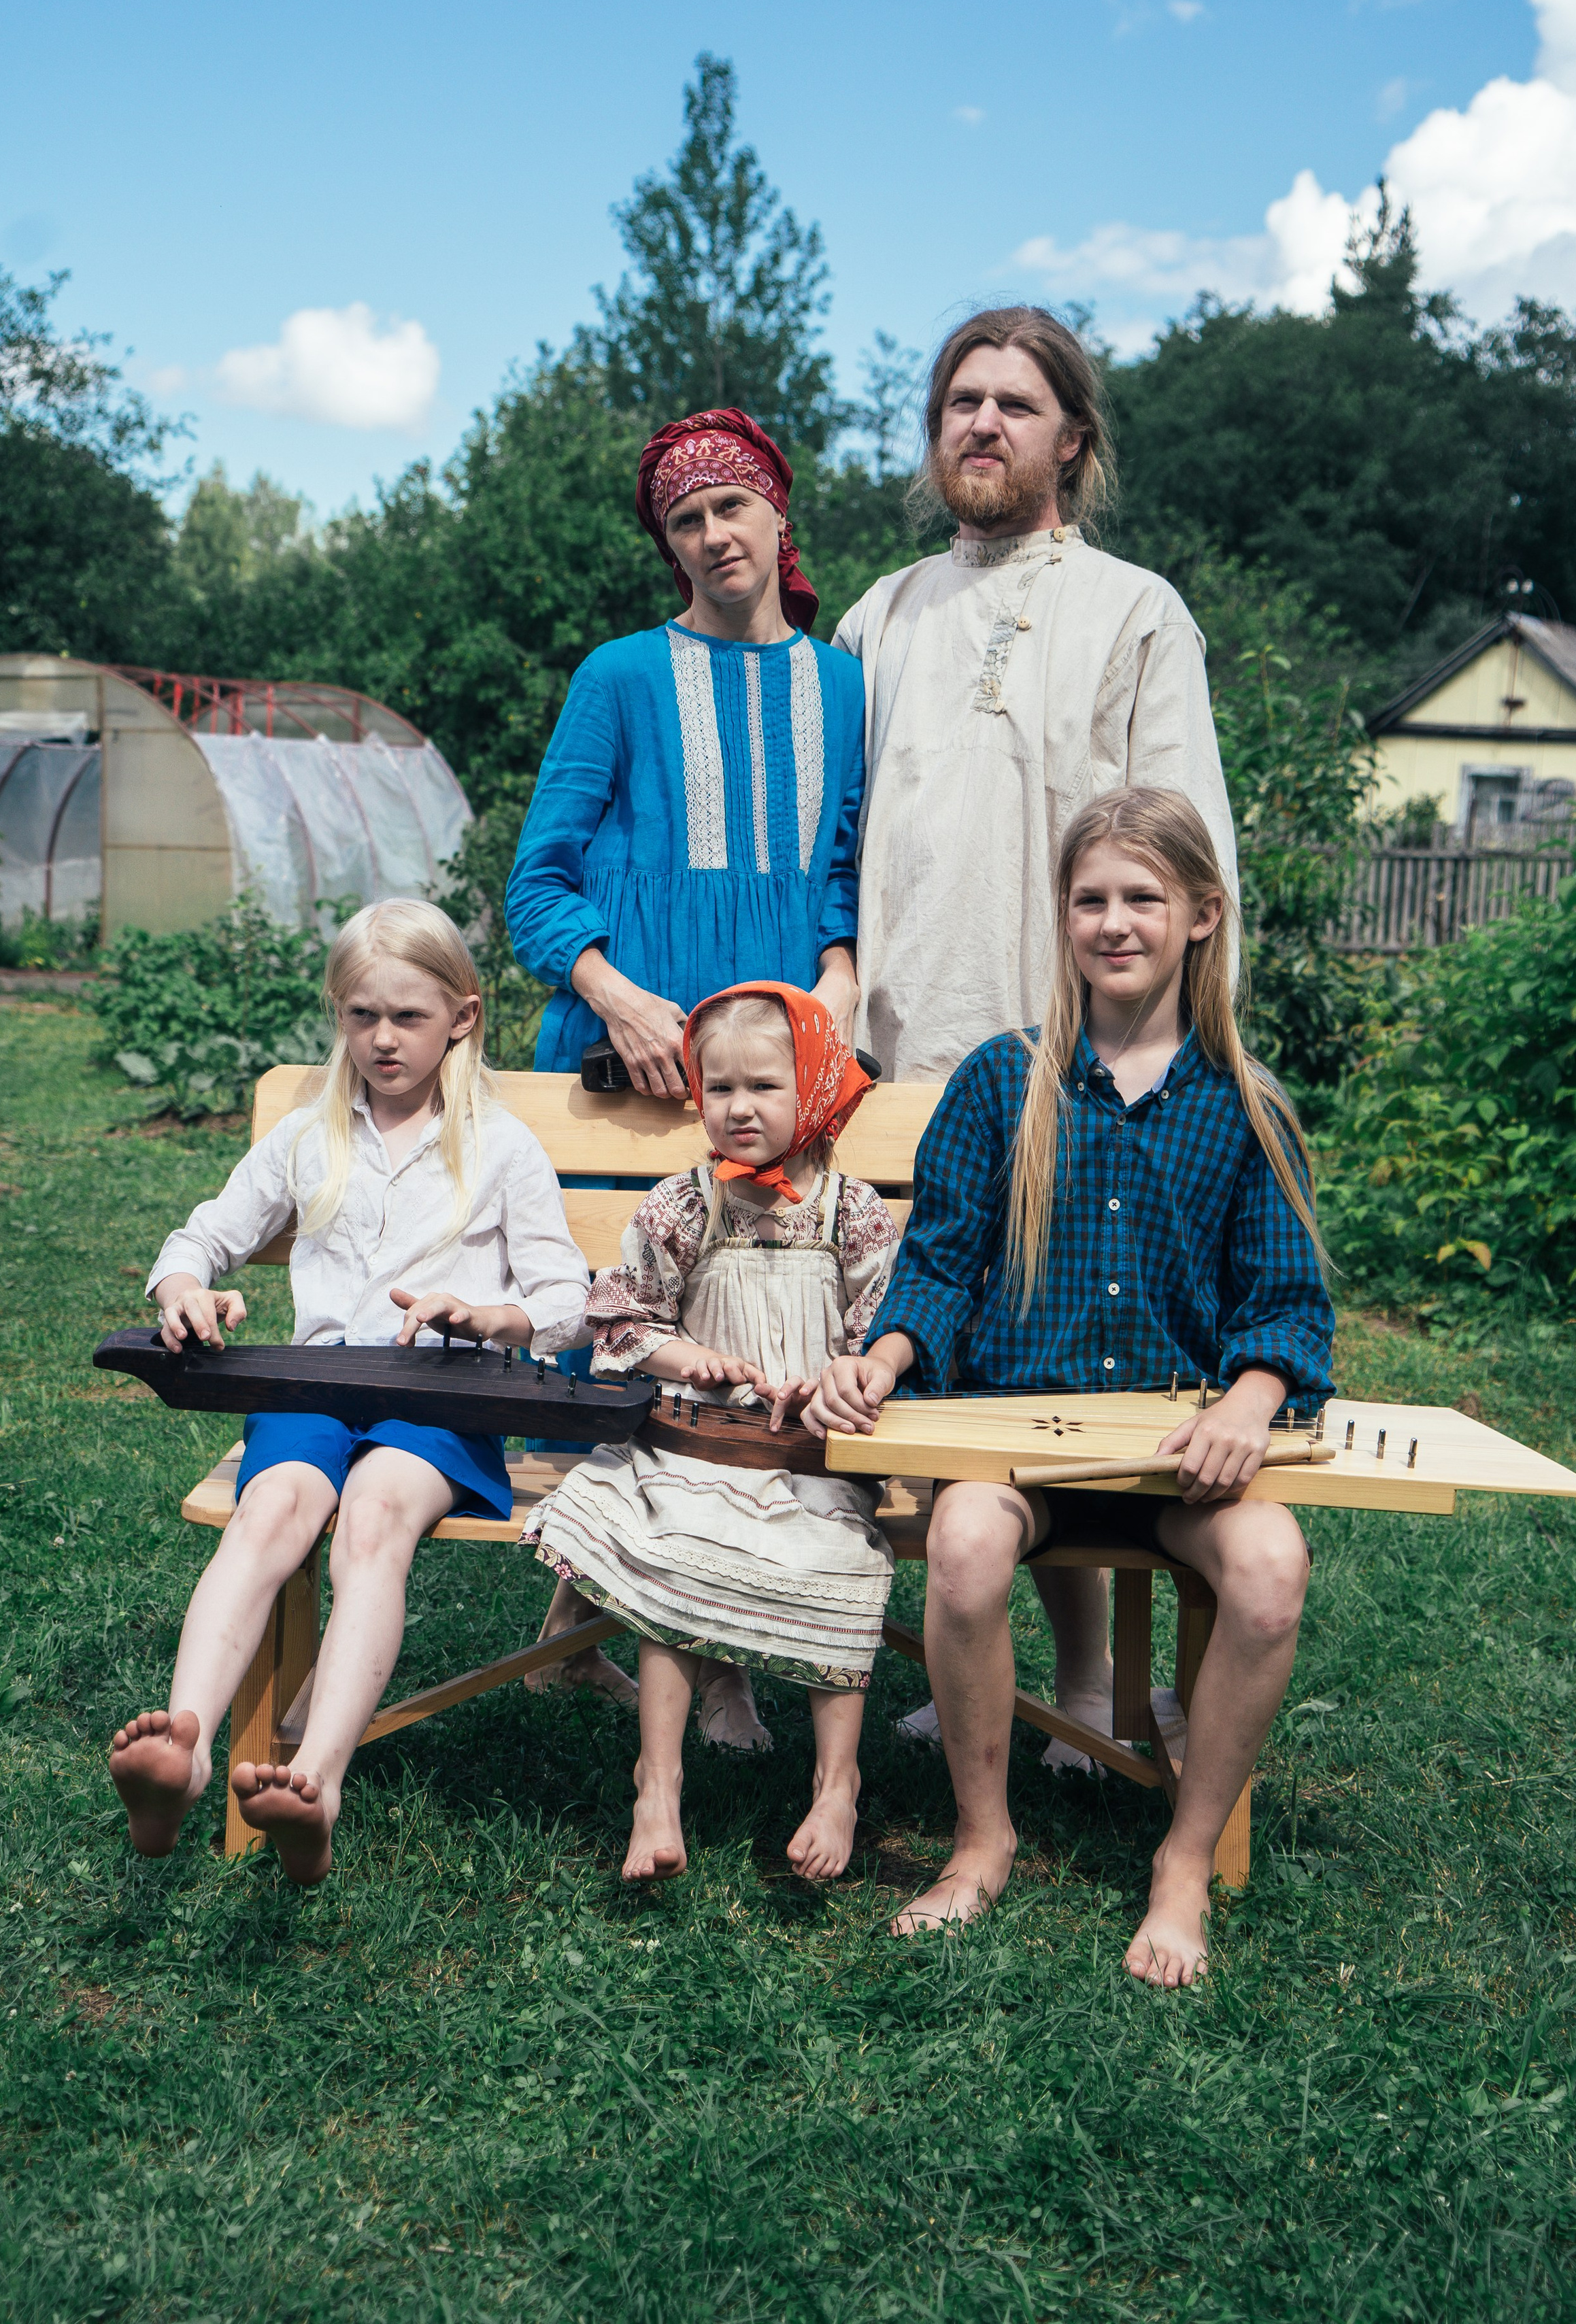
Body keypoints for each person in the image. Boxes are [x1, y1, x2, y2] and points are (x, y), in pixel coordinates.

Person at [804, 789, 1331, 1985]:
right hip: (1023, 1442)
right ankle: (983, 1837)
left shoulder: (1247, 1105)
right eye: (1090, 898)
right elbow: (938, 1264)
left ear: (1202, 914)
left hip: (1174, 1456)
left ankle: (1183, 1859)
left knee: (1272, 1569)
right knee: (969, 1544)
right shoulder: (1005, 1084)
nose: (1114, 922)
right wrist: (884, 1359)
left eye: (1143, 898)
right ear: (1063, 917)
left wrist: (1250, 1401)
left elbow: (1288, 1304)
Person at [833, 305, 1241, 1764]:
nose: (980, 425)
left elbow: (1188, 852)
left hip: (1077, 1054)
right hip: (899, 1058)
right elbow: (843, 836)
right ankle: (950, 1670)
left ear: (1072, 437)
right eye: (957, 401)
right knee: (941, 1362)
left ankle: (1083, 1696)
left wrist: (1172, 1043)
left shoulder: (1132, 610)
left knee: (1066, 1359)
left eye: (1013, 403)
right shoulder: (877, 615)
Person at [506, 406, 867, 1740]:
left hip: (773, 1087)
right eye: (684, 520)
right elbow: (535, 885)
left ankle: (684, 1634)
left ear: (779, 516)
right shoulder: (618, 677)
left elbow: (842, 867)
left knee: (764, 1332)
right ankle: (687, 1647)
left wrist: (831, 980)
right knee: (654, 1330)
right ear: (669, 546)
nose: (712, 535)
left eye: (730, 507)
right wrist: (613, 990)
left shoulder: (844, 684)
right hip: (624, 1075)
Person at [107, 899, 590, 1884]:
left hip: (443, 1397)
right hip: (316, 1381)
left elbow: (566, 1300)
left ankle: (315, 1782)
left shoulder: (498, 1146)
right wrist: (187, 1290)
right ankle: (186, 1752)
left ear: (462, 1015)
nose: (381, 1039)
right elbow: (200, 1236)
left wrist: (490, 1318)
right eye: (360, 1015)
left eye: (406, 1018)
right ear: (339, 1015)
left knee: (374, 1519)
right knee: (273, 1508)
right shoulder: (309, 1136)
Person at [522, 983, 900, 1883]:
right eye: (718, 1087)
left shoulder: (853, 1214)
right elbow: (622, 1317)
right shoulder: (682, 1206)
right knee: (678, 1548)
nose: (738, 1108)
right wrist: (685, 1357)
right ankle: (658, 1788)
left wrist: (838, 1380)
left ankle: (836, 1786)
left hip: (813, 1453)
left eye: (764, 1087)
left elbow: (880, 1331)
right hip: (690, 1447)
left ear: (811, 1089)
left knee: (843, 1568)